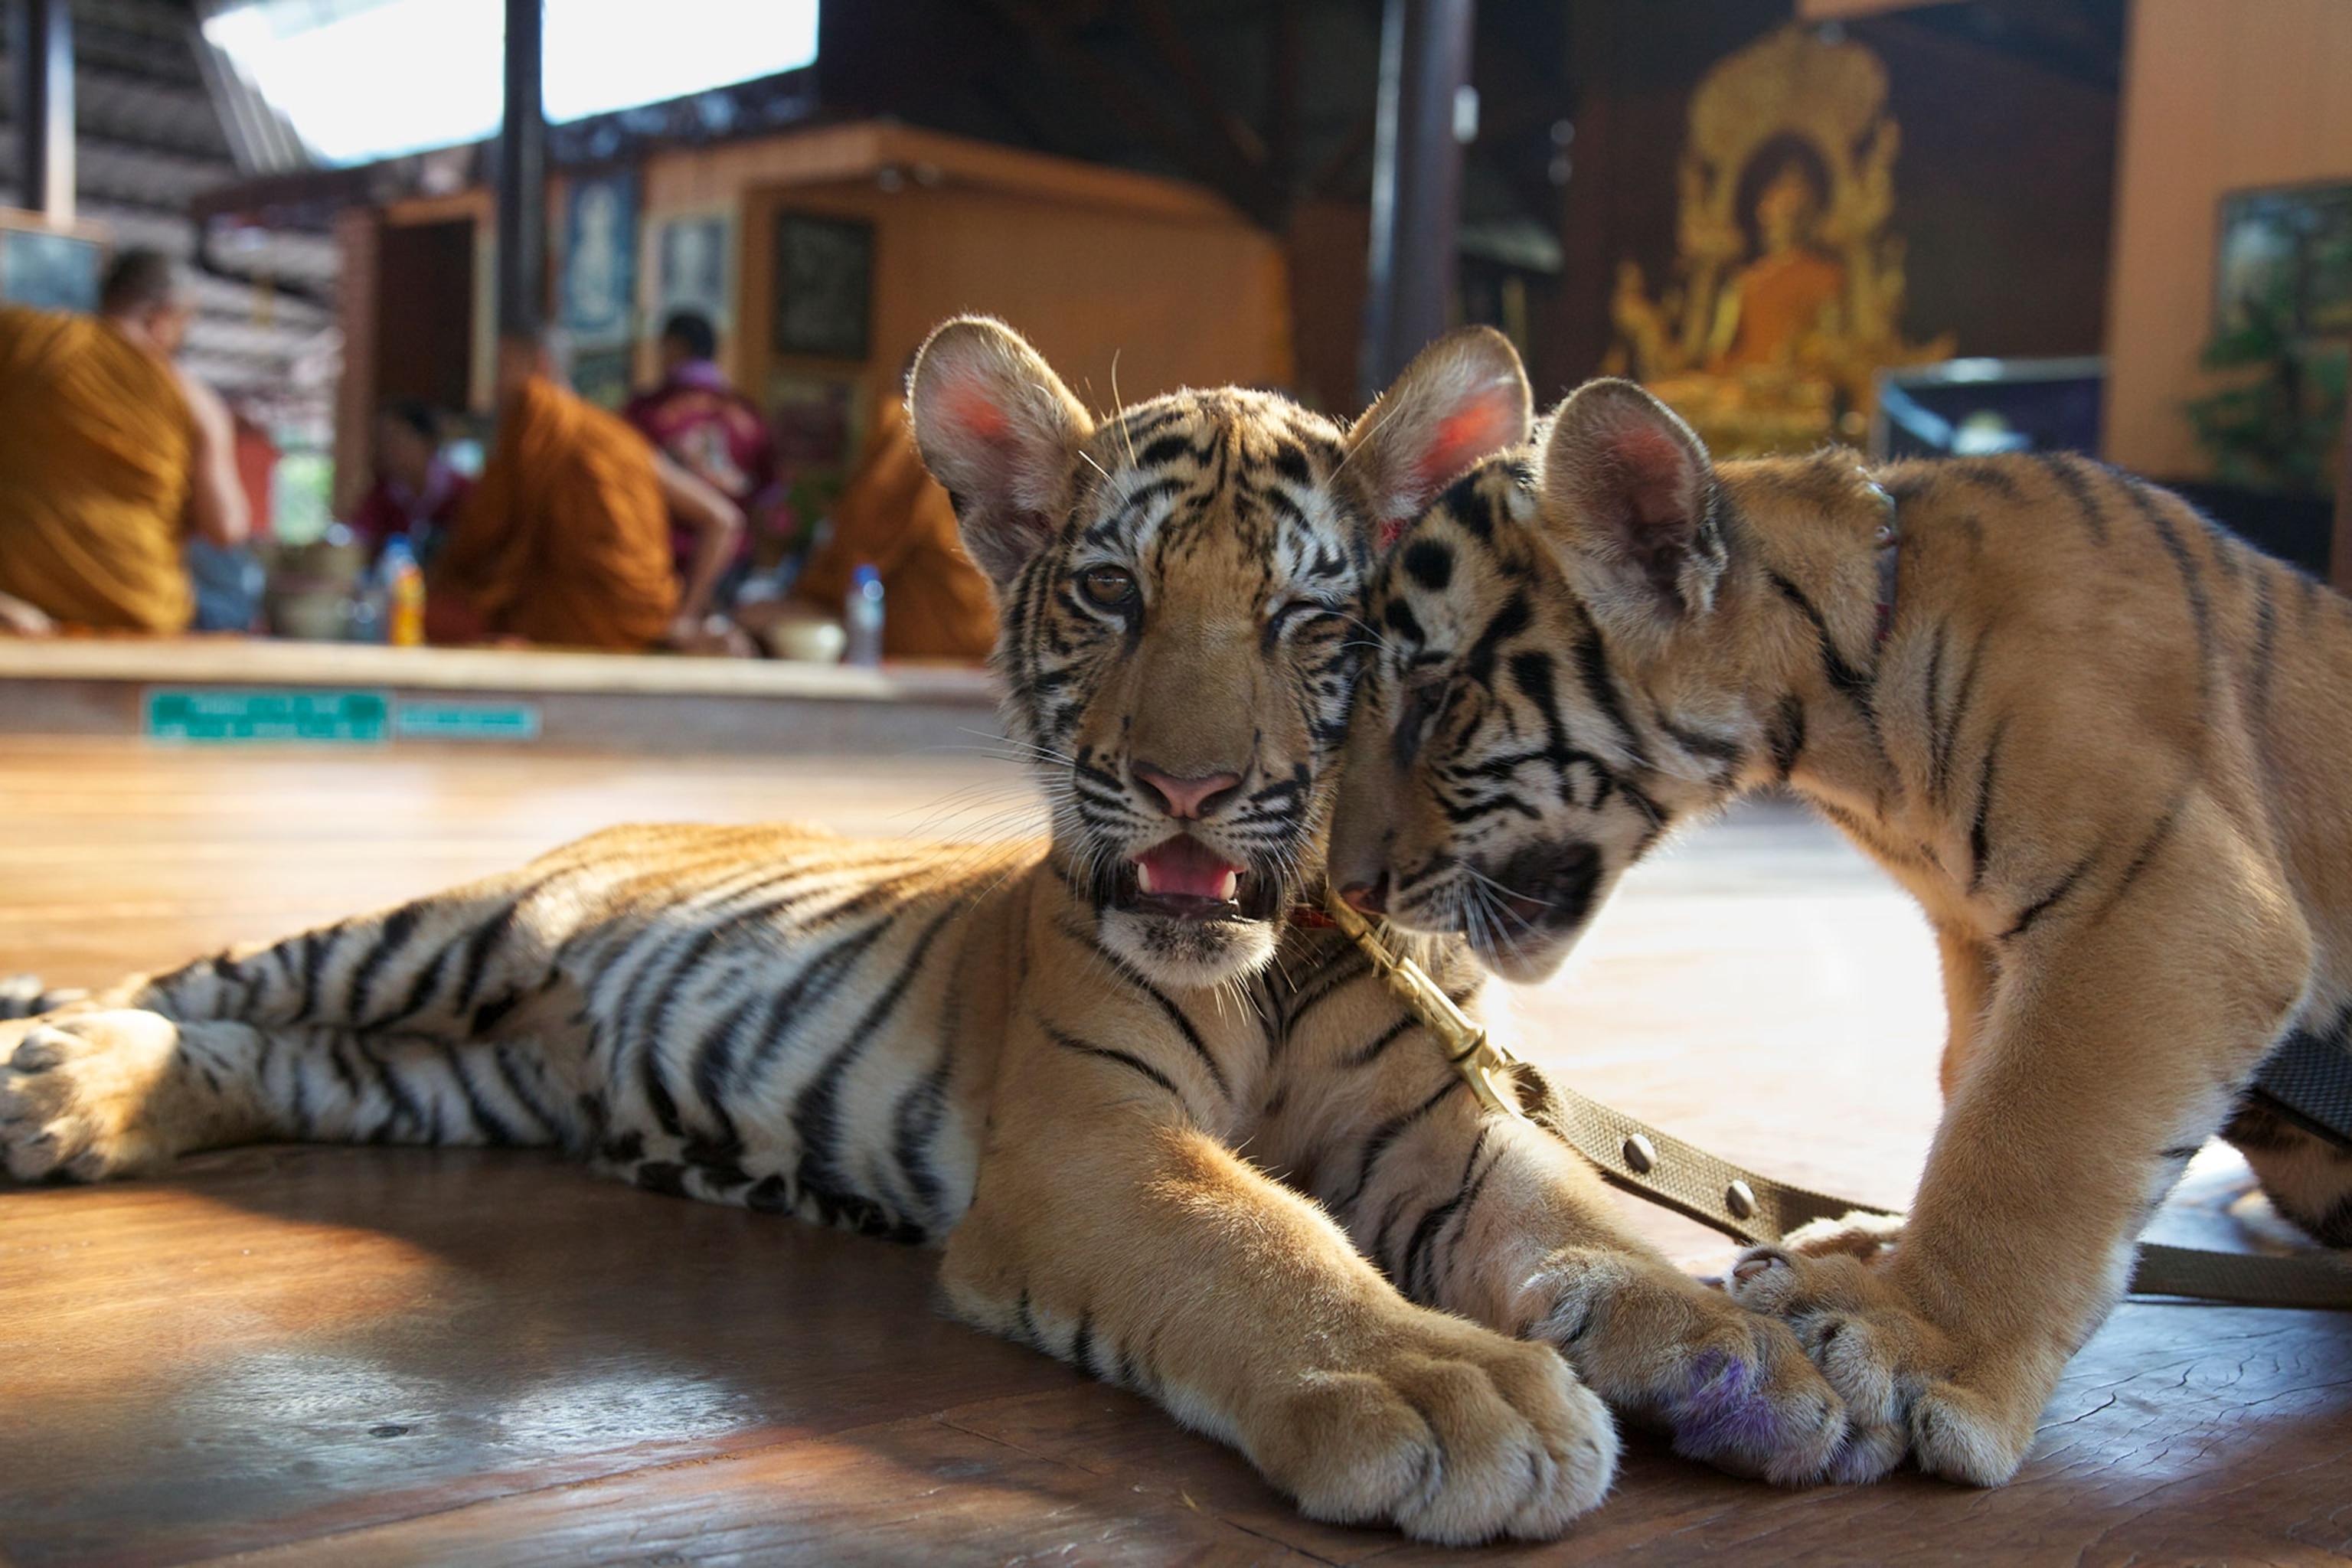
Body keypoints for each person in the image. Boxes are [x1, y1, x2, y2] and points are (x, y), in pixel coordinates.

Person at [428, 328, 742, 652]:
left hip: (573, 627)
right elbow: (723, 519)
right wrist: (684, 619)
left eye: (502, 368)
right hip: (642, 626)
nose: (493, 386)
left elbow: (482, 531)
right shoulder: (621, 440)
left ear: (541, 364)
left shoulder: (538, 421)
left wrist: (450, 571)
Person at [0, 248, 250, 633]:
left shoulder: (26, 339)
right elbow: (227, 526)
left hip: (23, 610)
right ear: (164, 317)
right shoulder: (194, 402)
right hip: (135, 613)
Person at [783, 391, 995, 662]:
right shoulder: (996, 437)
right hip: (991, 655)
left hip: (936, 662)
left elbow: (860, 550)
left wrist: (803, 599)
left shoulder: (913, 430)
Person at [623, 309, 776, 594]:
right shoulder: (747, 415)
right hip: (733, 565)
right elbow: (768, 495)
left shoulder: (646, 414)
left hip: (664, 562)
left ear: (674, 347)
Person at [346, 401, 471, 565]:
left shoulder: (464, 492)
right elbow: (358, 537)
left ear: (428, 443)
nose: (385, 449)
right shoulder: (382, 495)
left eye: (395, 438)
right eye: (380, 441)